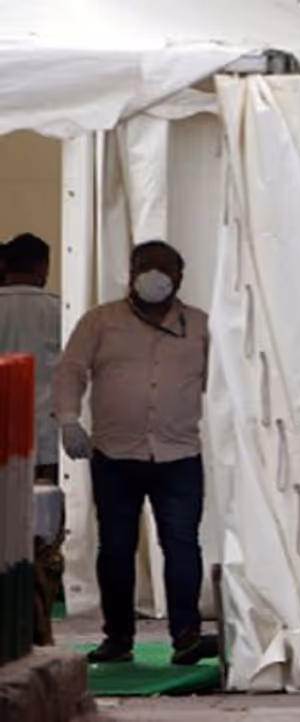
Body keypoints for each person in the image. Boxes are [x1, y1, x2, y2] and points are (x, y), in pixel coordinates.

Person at [54, 240, 216, 665]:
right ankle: (118, 638)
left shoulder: (199, 325)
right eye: (146, 267)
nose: (154, 276)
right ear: (130, 272)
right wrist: (69, 419)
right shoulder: (100, 321)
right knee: (116, 548)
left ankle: (186, 636)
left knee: (182, 545)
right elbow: (71, 369)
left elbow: (221, 380)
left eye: (164, 269)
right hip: (115, 455)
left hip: (179, 454)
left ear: (179, 277)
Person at [0, 233, 60, 482]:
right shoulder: (59, 309)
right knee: (46, 499)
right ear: (43, 267)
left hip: (4, 427)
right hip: (47, 428)